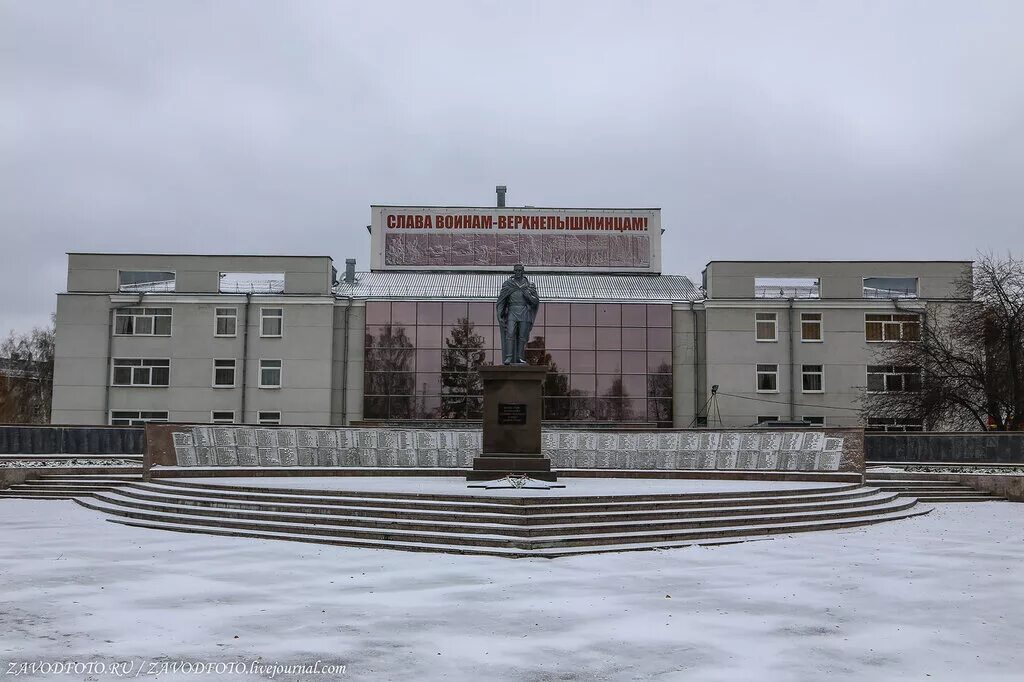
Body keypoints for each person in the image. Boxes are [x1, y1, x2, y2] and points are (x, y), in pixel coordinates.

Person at [496, 264, 540, 365]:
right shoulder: (508, 284)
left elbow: (535, 301)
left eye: (520, 270)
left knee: (522, 336)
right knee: (510, 334)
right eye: (516, 270)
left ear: (523, 271)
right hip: (512, 311)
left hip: (524, 311)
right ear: (514, 271)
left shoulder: (529, 285)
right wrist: (499, 314)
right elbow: (502, 300)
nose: (518, 272)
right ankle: (509, 357)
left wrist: (528, 295)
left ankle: (520, 357)